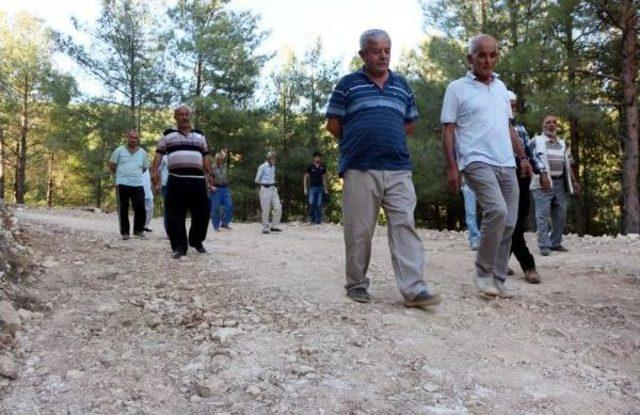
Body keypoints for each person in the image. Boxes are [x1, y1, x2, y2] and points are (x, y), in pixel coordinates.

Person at [326, 29, 441, 308]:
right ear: (363, 54)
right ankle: (356, 283)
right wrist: (360, 140)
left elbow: (408, 123)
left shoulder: (402, 85)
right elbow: (333, 124)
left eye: (387, 50)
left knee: (405, 225)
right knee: (359, 229)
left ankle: (414, 290)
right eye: (376, 50)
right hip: (360, 167)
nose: (383, 55)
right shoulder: (347, 85)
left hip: (399, 167)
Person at [441, 34, 532, 298]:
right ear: (470, 58)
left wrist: (523, 157)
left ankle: (498, 278)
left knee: (510, 222)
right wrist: (452, 167)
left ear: (497, 57)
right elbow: (448, 130)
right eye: (481, 55)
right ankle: (483, 273)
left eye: (492, 55)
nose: (487, 60)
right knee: (497, 211)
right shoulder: (456, 88)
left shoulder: (502, 89)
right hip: (475, 160)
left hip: (506, 162)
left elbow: (508, 126)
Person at [151, 105, 212, 258]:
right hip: (176, 180)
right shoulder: (168, 134)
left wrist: (210, 173)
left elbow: (205, 155)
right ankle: (179, 247)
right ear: (175, 117)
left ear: (190, 116)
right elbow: (158, 154)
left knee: (202, 212)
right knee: (175, 215)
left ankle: (196, 240)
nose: (184, 117)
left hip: (197, 180)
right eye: (180, 114)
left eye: (187, 114)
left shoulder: (199, 135)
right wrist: (154, 172)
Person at [507, 91, 548, 283]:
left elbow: (531, 154)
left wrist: (543, 173)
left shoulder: (521, 130)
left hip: (522, 177)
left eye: (514, 105)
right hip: (501, 178)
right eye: (509, 104)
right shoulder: (491, 128)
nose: (511, 108)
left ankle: (499, 263)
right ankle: (528, 265)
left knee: (518, 221)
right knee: (508, 223)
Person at [530, 114, 580, 256]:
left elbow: (569, 164)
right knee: (543, 215)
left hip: (560, 183)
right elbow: (530, 159)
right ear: (542, 125)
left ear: (556, 126)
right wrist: (539, 176)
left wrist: (574, 181)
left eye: (554, 122)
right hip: (542, 183)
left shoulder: (562, 143)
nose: (551, 125)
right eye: (548, 122)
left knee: (561, 214)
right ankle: (544, 245)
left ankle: (555, 242)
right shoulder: (536, 141)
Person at [108, 129, 148, 240]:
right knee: (123, 209)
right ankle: (125, 232)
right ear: (127, 138)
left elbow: (144, 168)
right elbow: (112, 165)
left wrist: (134, 174)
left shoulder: (143, 152)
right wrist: (122, 174)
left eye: (135, 138)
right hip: (122, 184)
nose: (133, 140)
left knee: (140, 208)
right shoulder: (119, 151)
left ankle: (138, 231)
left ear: (138, 139)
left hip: (138, 184)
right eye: (131, 137)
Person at [255, 151, 282, 234]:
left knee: (278, 206)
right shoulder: (262, 167)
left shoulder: (273, 167)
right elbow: (256, 180)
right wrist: (264, 184)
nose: (274, 160)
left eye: (275, 158)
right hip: (265, 189)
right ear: (268, 158)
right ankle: (265, 227)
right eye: (272, 158)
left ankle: (274, 226)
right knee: (266, 209)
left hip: (273, 188)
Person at [210, 150, 233, 231]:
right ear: (216, 159)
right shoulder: (212, 168)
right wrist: (211, 187)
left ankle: (224, 223)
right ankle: (216, 226)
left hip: (225, 188)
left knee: (229, 205)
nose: (221, 161)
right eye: (220, 159)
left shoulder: (224, 167)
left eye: (222, 159)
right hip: (217, 189)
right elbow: (210, 178)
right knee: (215, 207)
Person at [303, 152, 329, 224]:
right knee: (311, 203)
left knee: (318, 204)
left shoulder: (322, 167)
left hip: (320, 187)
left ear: (320, 159)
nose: (318, 158)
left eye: (319, 157)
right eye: (316, 157)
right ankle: (312, 218)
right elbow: (305, 178)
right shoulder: (310, 167)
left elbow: (324, 178)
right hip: (312, 188)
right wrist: (305, 188)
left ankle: (318, 221)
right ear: (314, 158)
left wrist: (326, 189)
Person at [461, 177, 480, 250]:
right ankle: (474, 239)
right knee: (470, 213)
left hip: (485, 182)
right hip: (468, 182)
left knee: (489, 212)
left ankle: (483, 239)